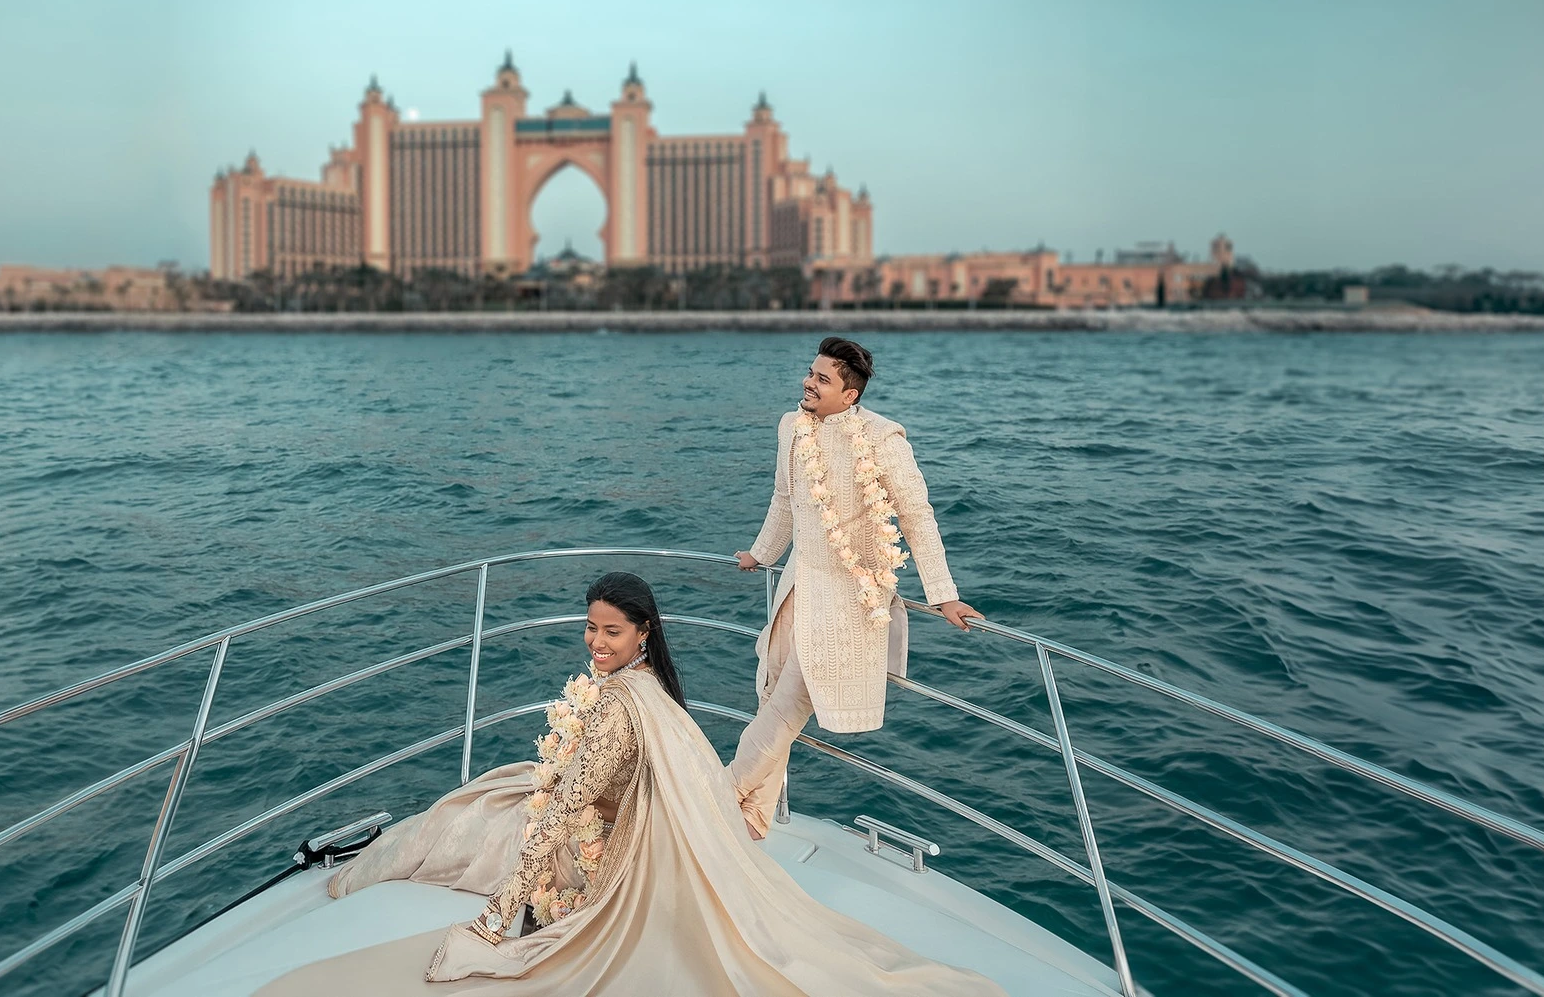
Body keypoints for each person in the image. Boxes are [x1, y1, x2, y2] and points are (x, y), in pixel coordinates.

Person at [253, 572, 1004, 996]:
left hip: (588, 852)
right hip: (606, 827)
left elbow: (565, 811)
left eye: (610, 631)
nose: (596, 641)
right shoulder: (649, 690)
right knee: (482, 804)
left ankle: (366, 871)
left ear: (643, 632)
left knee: (458, 827)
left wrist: (498, 918)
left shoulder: (617, 708)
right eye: (590, 628)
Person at [729, 336, 983, 839]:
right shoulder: (791, 427)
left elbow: (916, 516)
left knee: (785, 709)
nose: (808, 382)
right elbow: (784, 500)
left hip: (849, 599)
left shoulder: (883, 438)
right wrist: (762, 555)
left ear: (850, 395)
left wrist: (943, 593)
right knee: (769, 691)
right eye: (810, 372)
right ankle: (752, 818)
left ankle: (716, 802)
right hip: (798, 588)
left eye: (822, 378)